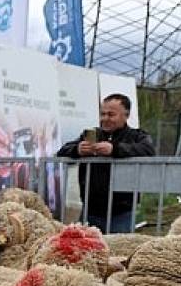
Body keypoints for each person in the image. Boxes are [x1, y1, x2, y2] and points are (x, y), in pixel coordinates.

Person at [57, 93, 155, 233]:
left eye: (111, 114)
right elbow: (62, 151)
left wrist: (115, 149)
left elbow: (148, 150)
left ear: (126, 115)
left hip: (122, 211)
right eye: (102, 114)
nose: (105, 118)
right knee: (88, 246)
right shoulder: (91, 135)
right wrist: (77, 149)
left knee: (119, 246)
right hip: (90, 210)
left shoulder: (137, 136)